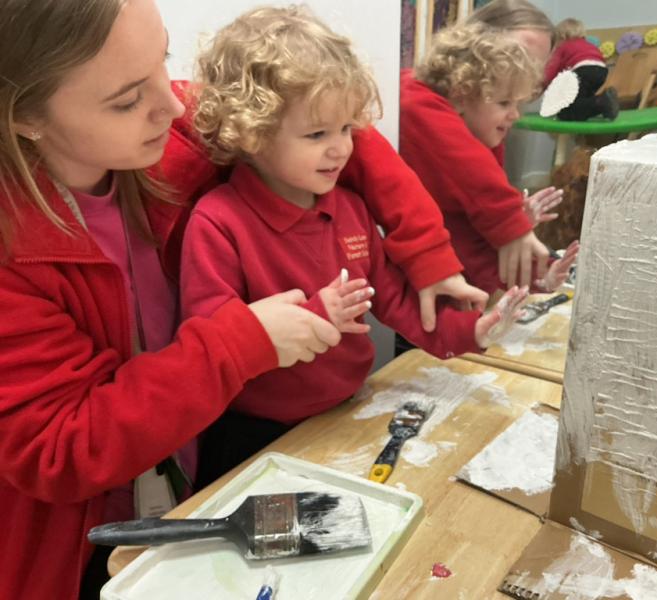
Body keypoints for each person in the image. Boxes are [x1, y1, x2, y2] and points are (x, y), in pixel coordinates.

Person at [0, 1, 487, 598]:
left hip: (197, 483)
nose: (174, 103)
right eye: (127, 98)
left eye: (163, 60)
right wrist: (241, 344)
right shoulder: (14, 255)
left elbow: (336, 126)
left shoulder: (170, 135)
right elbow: (60, 450)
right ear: (25, 115)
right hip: (85, 546)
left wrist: (430, 254)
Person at [182, 5, 529, 487]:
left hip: (344, 412)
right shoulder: (218, 222)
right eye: (317, 134)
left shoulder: (349, 208)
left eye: (348, 129)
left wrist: (472, 330)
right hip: (253, 435)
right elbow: (214, 343)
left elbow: (397, 302)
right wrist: (316, 315)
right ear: (252, 134)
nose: (342, 148)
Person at [400, 21, 579, 296]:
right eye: (504, 103)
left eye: (518, 104)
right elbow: (477, 210)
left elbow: (477, 242)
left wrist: (540, 276)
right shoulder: (422, 112)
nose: (515, 115)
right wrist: (510, 220)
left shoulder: (479, 147)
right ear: (460, 97)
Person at [542, 18, 619, 121]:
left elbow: (552, 69)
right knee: (582, 99)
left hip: (583, 70)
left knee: (566, 111)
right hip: (602, 71)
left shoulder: (563, 46)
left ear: (561, 37)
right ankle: (602, 105)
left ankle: (601, 102)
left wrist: (543, 85)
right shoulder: (589, 45)